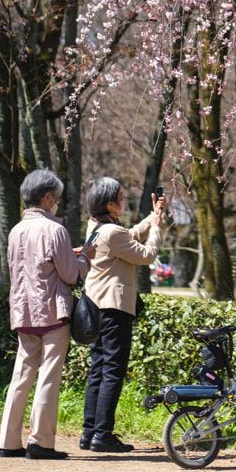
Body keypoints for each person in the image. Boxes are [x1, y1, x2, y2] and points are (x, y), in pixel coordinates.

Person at [0, 169, 94, 460]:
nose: (58, 203)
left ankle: (9, 441)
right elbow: (69, 274)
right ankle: (40, 442)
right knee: (48, 376)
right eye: (57, 198)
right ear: (48, 197)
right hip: (53, 311)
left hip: (23, 311)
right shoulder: (55, 230)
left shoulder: (15, 230)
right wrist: (83, 258)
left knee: (21, 376)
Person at [81, 176, 166, 453]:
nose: (123, 200)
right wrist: (156, 229)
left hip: (96, 305)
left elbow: (128, 236)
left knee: (98, 368)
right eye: (119, 197)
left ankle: (90, 431)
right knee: (113, 370)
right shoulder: (111, 233)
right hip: (115, 307)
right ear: (109, 204)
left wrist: (153, 216)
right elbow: (146, 254)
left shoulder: (96, 227)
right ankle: (103, 434)